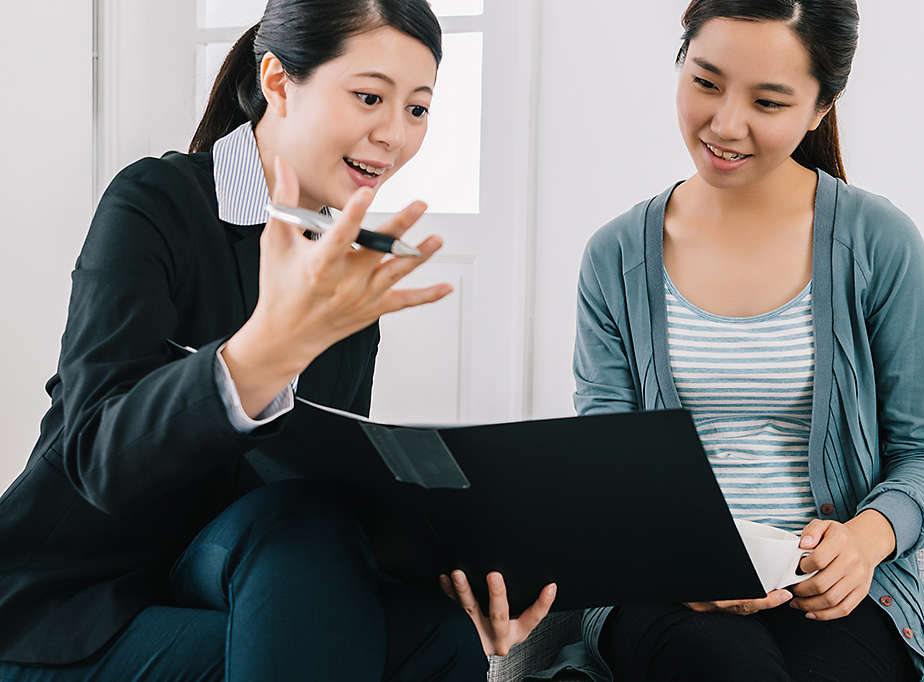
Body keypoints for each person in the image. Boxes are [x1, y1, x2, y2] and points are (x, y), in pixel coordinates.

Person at [0, 0, 553, 679]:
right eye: (370, 96)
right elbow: (98, 460)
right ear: (278, 82)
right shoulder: (155, 203)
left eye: (417, 108)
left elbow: (317, 480)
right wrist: (262, 351)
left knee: (439, 629)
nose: (394, 135)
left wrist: (450, 570)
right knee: (308, 552)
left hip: (228, 575)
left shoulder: (343, 268)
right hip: (74, 610)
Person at [532, 1, 924, 681]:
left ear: (821, 108)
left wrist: (863, 542)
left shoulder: (881, 243)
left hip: (836, 595)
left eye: (767, 100)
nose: (725, 124)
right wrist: (678, 560)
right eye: (705, 82)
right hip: (667, 584)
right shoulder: (616, 256)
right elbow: (607, 462)